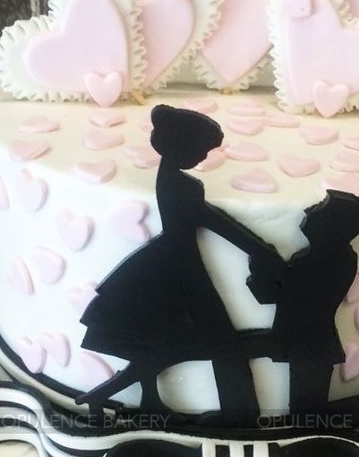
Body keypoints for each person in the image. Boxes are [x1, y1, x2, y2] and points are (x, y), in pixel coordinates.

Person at [77, 104, 283, 421]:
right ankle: (240, 413)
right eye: (201, 151)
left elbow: (212, 220)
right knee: (221, 343)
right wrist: (258, 248)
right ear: (184, 146)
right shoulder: (183, 186)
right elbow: (215, 222)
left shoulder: (169, 179)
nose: (202, 159)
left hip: (168, 264)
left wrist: (257, 248)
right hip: (181, 271)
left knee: (166, 349)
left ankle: (108, 395)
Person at [247, 190, 359, 414]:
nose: (308, 211)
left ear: (334, 225)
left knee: (306, 409)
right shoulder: (339, 258)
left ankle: (309, 437)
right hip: (311, 342)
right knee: (306, 404)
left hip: (309, 344)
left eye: (319, 208)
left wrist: (260, 272)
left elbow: (275, 297)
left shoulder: (321, 261)